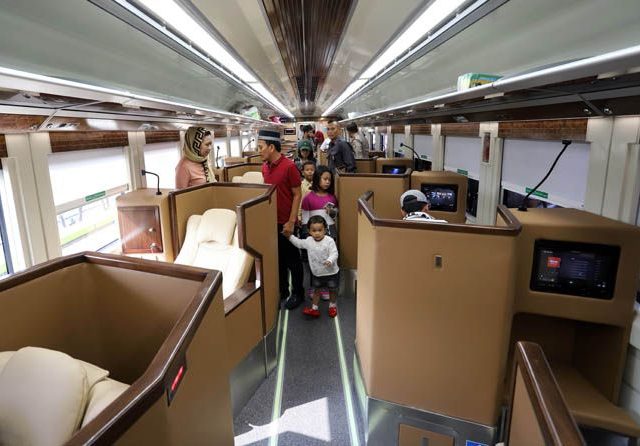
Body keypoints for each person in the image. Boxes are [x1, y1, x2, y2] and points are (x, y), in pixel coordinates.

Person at [259, 129, 305, 310]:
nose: (258, 150)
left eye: (260, 147)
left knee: (293, 260)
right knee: (278, 260)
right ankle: (283, 291)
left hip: (286, 222)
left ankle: (298, 293)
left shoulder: (289, 167)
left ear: (271, 147)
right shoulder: (264, 167)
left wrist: (292, 221)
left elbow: (297, 194)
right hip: (271, 221)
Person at [288, 215, 339, 318]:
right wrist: (289, 236)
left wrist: (330, 260)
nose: (317, 233)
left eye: (320, 230)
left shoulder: (329, 241)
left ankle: (332, 306)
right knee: (316, 291)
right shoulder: (309, 241)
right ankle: (314, 309)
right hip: (317, 273)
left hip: (331, 273)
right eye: (314, 230)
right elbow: (299, 243)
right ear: (309, 231)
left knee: (332, 290)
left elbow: (334, 253)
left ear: (325, 230)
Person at [301, 166, 338, 239]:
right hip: (314, 235)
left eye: (329, 180)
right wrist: (307, 236)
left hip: (330, 233)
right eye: (325, 179)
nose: (327, 182)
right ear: (317, 178)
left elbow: (335, 215)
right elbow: (305, 220)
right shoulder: (308, 198)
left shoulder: (332, 197)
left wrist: (332, 212)